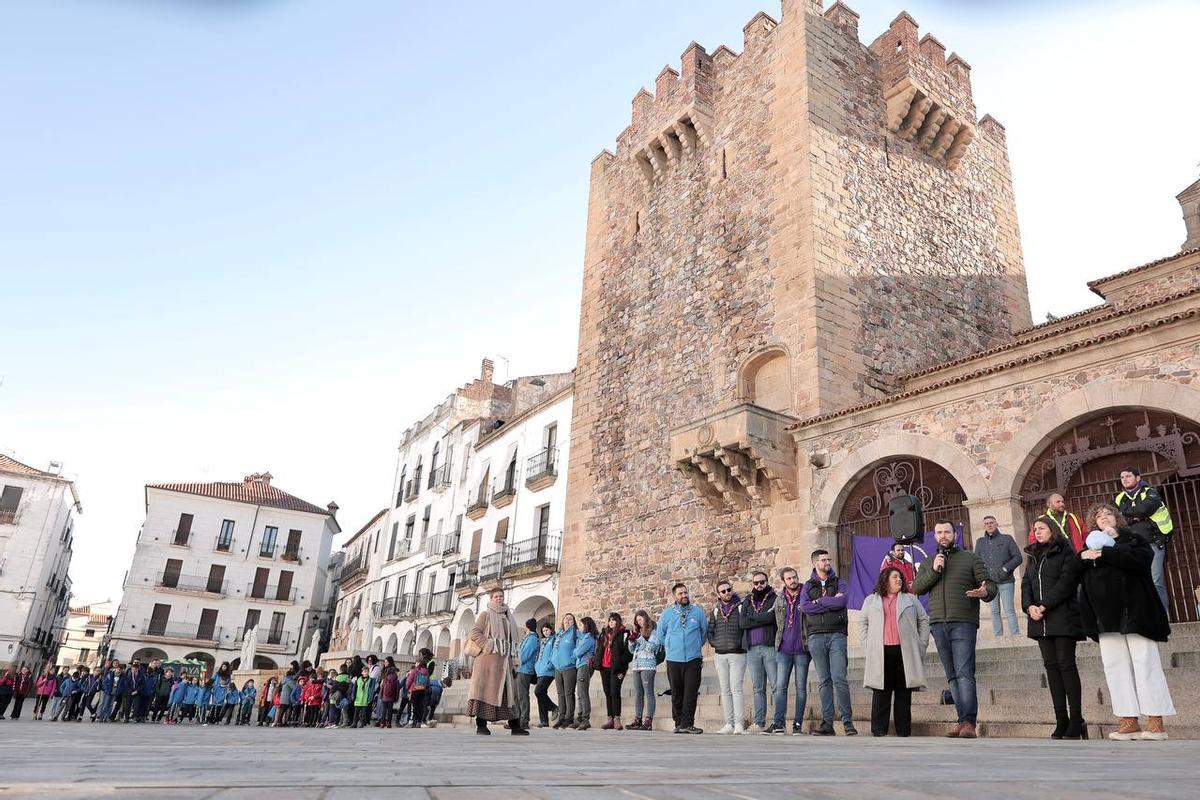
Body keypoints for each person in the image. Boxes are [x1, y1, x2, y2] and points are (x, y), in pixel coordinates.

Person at [1078, 502, 1175, 741]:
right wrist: (1083, 557)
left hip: (1136, 612)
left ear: (1117, 518)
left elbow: (1141, 560)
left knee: (1146, 663)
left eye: (1108, 513)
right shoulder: (1089, 545)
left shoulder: (1133, 538)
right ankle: (1128, 719)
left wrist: (1108, 550)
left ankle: (1155, 720)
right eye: (1098, 516)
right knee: (1114, 667)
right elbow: (1079, 573)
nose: (1104, 518)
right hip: (1107, 617)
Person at [911, 520, 996, 739]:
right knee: (952, 676)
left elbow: (991, 586)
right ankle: (961, 720)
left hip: (963, 622)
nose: (943, 536)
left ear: (955, 534)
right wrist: (935, 570)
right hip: (938, 624)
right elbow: (918, 587)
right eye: (938, 532)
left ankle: (969, 722)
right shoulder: (929, 562)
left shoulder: (971, 558)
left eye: (946, 532)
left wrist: (984, 592)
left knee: (964, 673)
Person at [1022, 516, 1086, 739]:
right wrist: (1029, 606)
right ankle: (1061, 720)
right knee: (1051, 668)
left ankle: (1077, 721)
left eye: (1042, 528)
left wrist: (1044, 604)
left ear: (1052, 530)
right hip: (1040, 621)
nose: (1038, 532)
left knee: (1066, 666)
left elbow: (1067, 582)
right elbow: (1026, 583)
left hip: (1062, 618)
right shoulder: (1032, 556)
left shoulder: (1065, 552)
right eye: (1035, 529)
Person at [861, 566, 929, 736]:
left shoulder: (910, 599)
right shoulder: (871, 600)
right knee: (880, 692)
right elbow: (862, 622)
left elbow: (923, 620)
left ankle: (904, 730)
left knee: (903, 692)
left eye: (900, 577)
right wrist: (867, 644)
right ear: (885, 580)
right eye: (894, 577)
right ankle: (878, 730)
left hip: (904, 652)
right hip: (881, 651)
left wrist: (922, 644)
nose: (899, 580)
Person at [802, 549, 856, 736]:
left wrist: (820, 601)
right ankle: (827, 723)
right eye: (823, 560)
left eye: (828, 559)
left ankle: (848, 722)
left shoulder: (840, 582)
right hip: (816, 635)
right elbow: (805, 607)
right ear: (815, 563)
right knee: (824, 681)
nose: (827, 562)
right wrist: (829, 601)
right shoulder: (807, 586)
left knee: (840, 678)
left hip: (837, 635)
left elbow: (841, 603)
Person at [465, 586, 527, 735]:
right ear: (491, 599)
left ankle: (515, 726)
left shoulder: (508, 616)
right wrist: (488, 644)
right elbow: (474, 632)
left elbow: (512, 640)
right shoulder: (485, 615)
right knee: (483, 692)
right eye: (496, 597)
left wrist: (514, 659)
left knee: (508, 695)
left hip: (504, 663)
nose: (499, 599)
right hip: (487, 662)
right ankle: (481, 725)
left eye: (501, 596)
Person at [653, 582, 708, 734]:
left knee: (691, 692)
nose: (684, 596)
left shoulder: (697, 612)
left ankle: (688, 723)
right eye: (680, 594)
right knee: (676, 692)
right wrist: (670, 646)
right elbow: (660, 634)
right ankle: (678, 722)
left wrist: (696, 646)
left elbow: (704, 632)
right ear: (674, 596)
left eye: (685, 593)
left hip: (693, 659)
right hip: (674, 659)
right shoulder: (667, 614)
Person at [1116, 467, 1173, 611]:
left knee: (1155, 581)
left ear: (1138, 478)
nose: (1125, 479)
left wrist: (1129, 514)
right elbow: (1118, 520)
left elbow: (1144, 509)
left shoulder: (1151, 492)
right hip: (1132, 546)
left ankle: (1162, 616)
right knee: (1137, 582)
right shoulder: (1119, 498)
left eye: (1128, 476)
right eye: (1122, 477)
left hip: (1153, 542)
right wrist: (1135, 517)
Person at [767, 567, 808, 735]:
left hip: (802, 649)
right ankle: (778, 724)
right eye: (789, 578)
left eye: (794, 577)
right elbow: (773, 618)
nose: (793, 580)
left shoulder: (806, 594)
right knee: (780, 687)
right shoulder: (779, 599)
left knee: (801, 688)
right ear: (784, 581)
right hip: (783, 649)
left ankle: (798, 724)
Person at [739, 571, 777, 733]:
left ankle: (778, 721)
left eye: (762, 582)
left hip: (769, 647)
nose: (759, 585)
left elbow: (772, 618)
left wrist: (753, 618)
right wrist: (762, 617)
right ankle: (759, 722)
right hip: (752, 649)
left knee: (776, 686)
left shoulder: (774, 598)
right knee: (757, 688)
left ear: (767, 582)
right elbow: (742, 622)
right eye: (756, 583)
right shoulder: (748, 600)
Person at [708, 580, 747, 735]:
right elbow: (710, 630)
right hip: (720, 655)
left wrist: (741, 644)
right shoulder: (716, 611)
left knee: (736, 689)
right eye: (723, 591)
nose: (727, 593)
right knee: (725, 690)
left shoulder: (741, 607)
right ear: (718, 594)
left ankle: (739, 723)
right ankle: (729, 723)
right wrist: (715, 644)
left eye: (728, 590)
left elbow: (745, 628)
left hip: (737, 654)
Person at [975, 515, 1023, 637]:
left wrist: (1005, 569)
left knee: (1009, 610)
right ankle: (998, 637)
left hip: (1006, 581)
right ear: (984, 526)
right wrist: (982, 578)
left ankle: (1016, 635)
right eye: (986, 523)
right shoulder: (980, 542)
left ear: (997, 524)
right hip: (990, 583)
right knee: (994, 611)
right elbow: (977, 562)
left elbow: (1018, 557)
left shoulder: (1007, 539)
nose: (989, 525)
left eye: (991, 523)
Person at [596, 612, 632, 730]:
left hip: (617, 668)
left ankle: (617, 718)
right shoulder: (604, 634)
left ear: (618, 621)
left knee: (614, 692)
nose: (611, 622)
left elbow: (628, 652)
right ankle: (610, 719)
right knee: (607, 693)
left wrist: (621, 663)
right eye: (609, 620)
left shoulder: (624, 633)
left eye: (613, 620)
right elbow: (600, 649)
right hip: (604, 667)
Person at [626, 610, 660, 731]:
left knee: (649, 693)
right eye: (637, 620)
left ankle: (648, 720)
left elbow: (652, 647)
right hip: (636, 666)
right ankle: (638, 719)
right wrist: (631, 641)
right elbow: (632, 650)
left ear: (646, 618)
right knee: (638, 694)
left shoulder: (653, 631)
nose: (639, 622)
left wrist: (640, 639)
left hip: (648, 666)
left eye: (641, 619)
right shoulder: (638, 632)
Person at [550, 613, 578, 730]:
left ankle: (569, 717)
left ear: (573, 622)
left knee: (568, 693)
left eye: (570, 619)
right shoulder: (559, 634)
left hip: (569, 667)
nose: (567, 621)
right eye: (565, 618)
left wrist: (572, 659)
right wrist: (553, 660)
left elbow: (578, 648)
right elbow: (554, 650)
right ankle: (561, 717)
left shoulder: (575, 633)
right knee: (560, 694)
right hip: (558, 668)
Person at [571, 616, 598, 730]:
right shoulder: (584, 638)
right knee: (579, 693)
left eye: (581, 625)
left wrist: (576, 650)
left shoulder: (589, 639)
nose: (580, 627)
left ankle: (585, 718)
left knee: (583, 693)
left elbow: (577, 652)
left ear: (587, 626)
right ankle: (580, 717)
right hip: (580, 665)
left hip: (584, 666)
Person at [533, 622, 559, 728]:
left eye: (547, 630)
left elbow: (554, 654)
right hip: (539, 671)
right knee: (541, 694)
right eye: (543, 631)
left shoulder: (553, 640)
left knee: (538, 691)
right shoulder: (542, 641)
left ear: (551, 630)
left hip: (548, 671)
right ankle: (544, 720)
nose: (545, 632)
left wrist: (549, 666)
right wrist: (536, 666)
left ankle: (554, 708)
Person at [515, 618, 539, 732]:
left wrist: (516, 662)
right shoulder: (528, 638)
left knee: (522, 696)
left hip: (525, 670)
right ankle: (516, 720)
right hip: (520, 669)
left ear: (528, 626)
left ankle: (524, 721)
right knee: (517, 696)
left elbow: (524, 655)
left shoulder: (532, 639)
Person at [405, 656, 430, 728]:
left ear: (418, 663)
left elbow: (410, 680)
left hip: (415, 690)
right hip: (423, 690)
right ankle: (419, 721)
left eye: (416, 662)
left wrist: (407, 687)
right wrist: (426, 687)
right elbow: (428, 681)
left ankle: (415, 720)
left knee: (414, 706)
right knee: (420, 706)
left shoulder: (416, 670)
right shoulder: (426, 671)